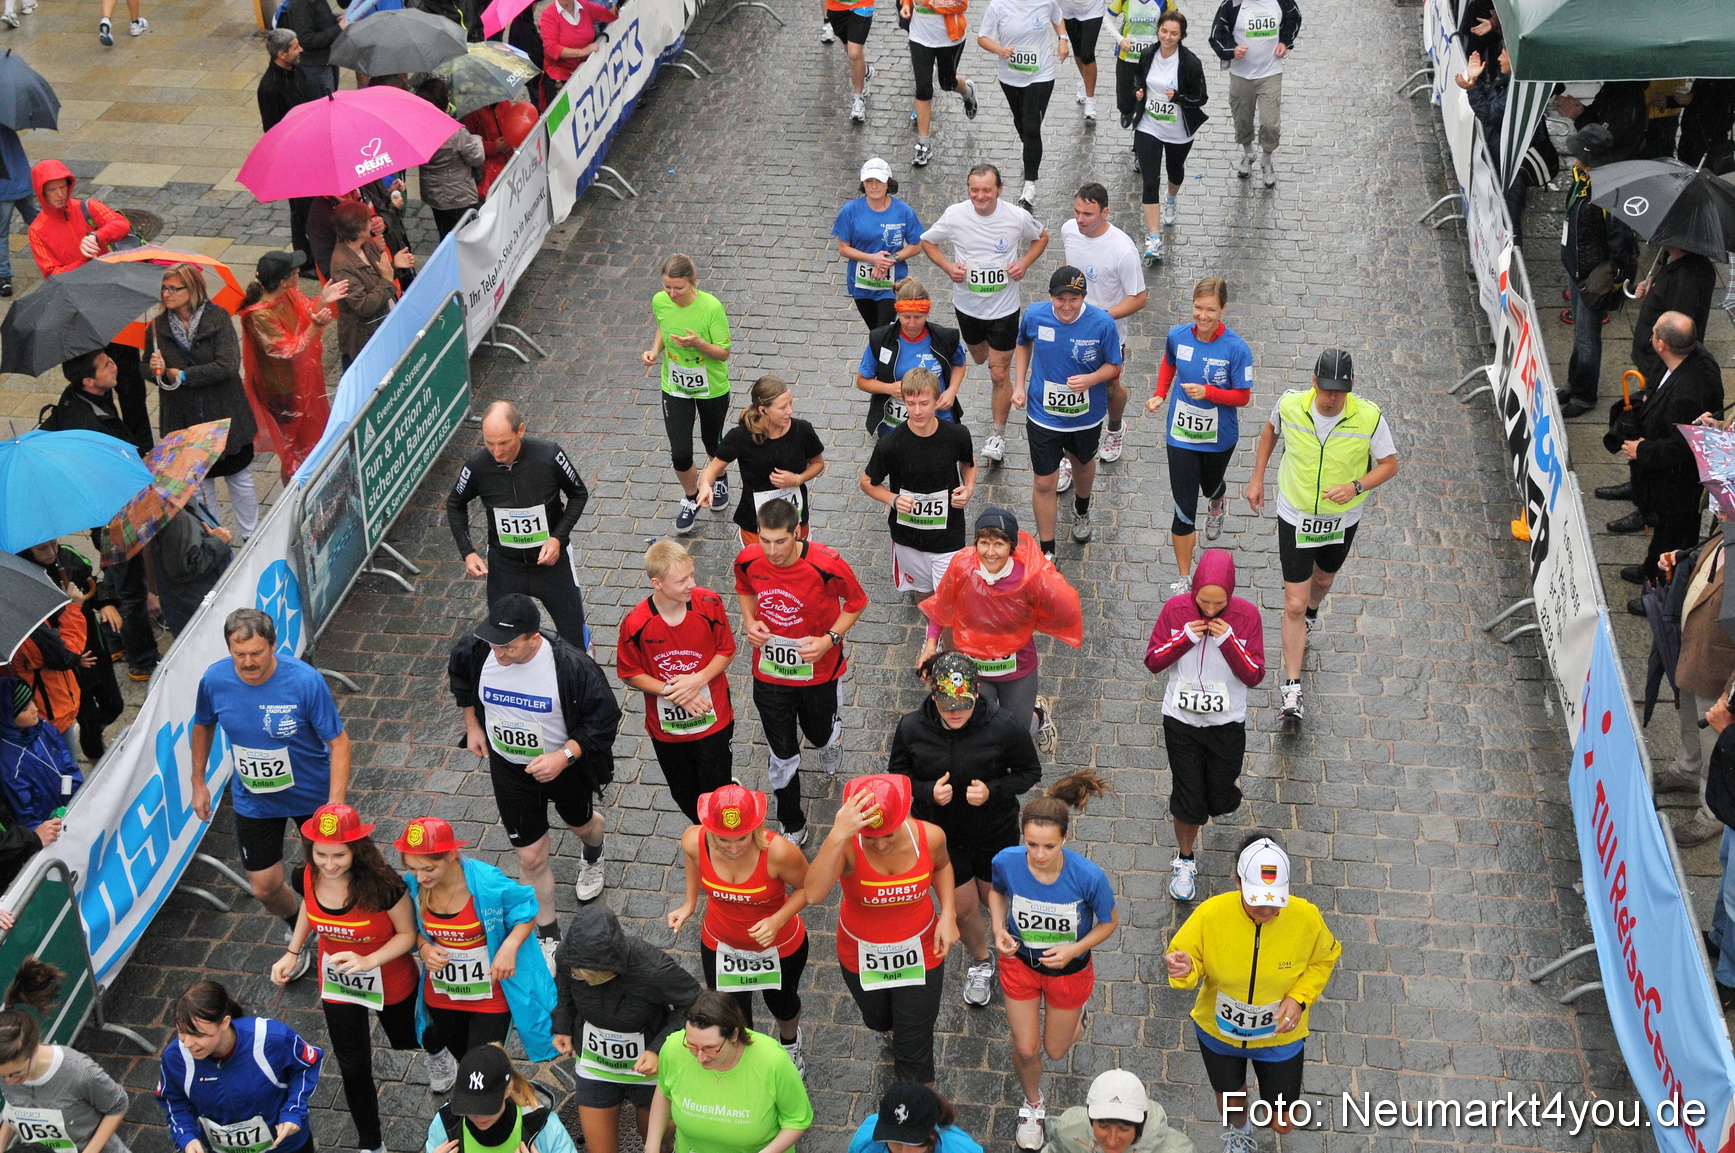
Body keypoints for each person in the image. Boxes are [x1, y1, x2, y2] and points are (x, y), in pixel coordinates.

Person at [448, 593, 622, 928]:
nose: (498, 653)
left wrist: (564, 755)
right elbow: (464, 683)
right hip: (509, 768)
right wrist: (473, 727)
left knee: (583, 826)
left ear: (534, 638)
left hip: (564, 770)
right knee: (530, 856)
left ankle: (593, 852)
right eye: (494, 643)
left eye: (509, 647)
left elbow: (603, 720)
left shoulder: (571, 666)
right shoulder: (478, 649)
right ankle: (547, 934)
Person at [1244, 348, 1398, 722]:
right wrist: (1257, 476)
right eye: (1326, 389)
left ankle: (1312, 613)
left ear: (1350, 387)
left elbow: (1390, 465)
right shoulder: (1290, 405)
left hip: (1341, 519)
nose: (1331, 398)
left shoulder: (1369, 417)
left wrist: (1357, 486)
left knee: (1324, 579)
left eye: (1339, 391)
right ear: (1313, 382)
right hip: (1295, 512)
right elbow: (1270, 430)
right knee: (1293, 603)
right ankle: (1292, 689)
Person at [192, 608, 350, 963]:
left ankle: (341, 932)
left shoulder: (305, 681)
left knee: (331, 876)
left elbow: (339, 742)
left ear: (273, 646)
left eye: (257, 653)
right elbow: (203, 724)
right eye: (239, 654)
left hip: (312, 796)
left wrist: (335, 804)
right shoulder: (214, 680)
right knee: (263, 886)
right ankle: (298, 925)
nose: (248, 662)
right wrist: (198, 780)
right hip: (255, 799)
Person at [270, 804, 431, 1153]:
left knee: (408, 1038)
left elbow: (407, 934)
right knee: (353, 1066)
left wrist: (368, 959)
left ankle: (439, 1053)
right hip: (339, 983)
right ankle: (371, 1144)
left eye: (339, 855)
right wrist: (293, 952)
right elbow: (310, 914)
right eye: (321, 854)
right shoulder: (305, 876)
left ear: (356, 850)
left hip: (390, 977)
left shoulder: (385, 884)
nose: (328, 864)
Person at [1164, 838, 1341, 1153]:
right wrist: (1185, 968)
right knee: (1232, 1101)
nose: (1267, 909)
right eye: (1257, 899)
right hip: (1218, 1033)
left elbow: (1324, 959)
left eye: (1276, 901)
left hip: (1279, 1039)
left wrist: (1300, 998)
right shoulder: (1210, 915)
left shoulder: (1307, 918)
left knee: (1282, 1122)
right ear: (1237, 882)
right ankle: (1241, 1133)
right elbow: (1187, 961)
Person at [890, 652, 1040, 1007]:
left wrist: (993, 790)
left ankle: (1014, 945)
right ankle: (981, 961)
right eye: (946, 705)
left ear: (976, 693)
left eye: (962, 704)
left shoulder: (1003, 726)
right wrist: (926, 792)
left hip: (994, 833)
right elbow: (896, 777)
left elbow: (1029, 772)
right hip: (942, 838)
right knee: (962, 906)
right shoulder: (912, 727)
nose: (954, 712)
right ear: (932, 695)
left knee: (996, 899)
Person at [805, 774, 960, 1087]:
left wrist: (949, 914)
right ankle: (892, 1031)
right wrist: (837, 835)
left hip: (921, 952)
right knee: (877, 1019)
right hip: (861, 953)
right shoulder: (847, 846)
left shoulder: (929, 837)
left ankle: (916, 1113)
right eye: (869, 836)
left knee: (914, 1040)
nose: (879, 843)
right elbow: (813, 893)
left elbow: (942, 867)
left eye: (887, 834)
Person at [989, 773, 1116, 1148]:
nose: (1040, 855)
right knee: (1027, 1049)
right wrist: (998, 928)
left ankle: (1079, 1017)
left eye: (1048, 845)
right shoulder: (1007, 861)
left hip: (1069, 972)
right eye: (1031, 845)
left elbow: (1108, 923)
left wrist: (1074, 949)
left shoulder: (1089, 877)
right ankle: (1033, 1104)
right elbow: (997, 893)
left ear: (1064, 838)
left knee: (1056, 1051)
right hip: (1021, 965)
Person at [732, 496, 868, 840]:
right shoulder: (749, 559)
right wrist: (749, 621)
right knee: (782, 751)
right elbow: (744, 588)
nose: (772, 550)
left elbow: (856, 602)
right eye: (765, 540)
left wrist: (829, 639)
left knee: (819, 733)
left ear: (798, 533)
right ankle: (792, 821)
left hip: (818, 671)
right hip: (770, 672)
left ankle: (830, 737)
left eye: (780, 541)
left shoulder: (827, 564)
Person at [1143, 549, 1265, 900]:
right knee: (1188, 798)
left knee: (1220, 797)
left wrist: (1228, 641)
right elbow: (1153, 660)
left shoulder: (1247, 616)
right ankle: (1185, 858)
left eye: (1218, 603)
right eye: (1203, 602)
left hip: (1226, 723)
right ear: (1193, 591)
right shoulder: (1175, 610)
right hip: (1180, 721)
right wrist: (1186, 637)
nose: (1210, 610)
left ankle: (1219, 798)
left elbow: (1254, 674)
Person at [397, 815, 559, 1071]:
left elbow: (527, 909)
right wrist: (425, 947)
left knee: (483, 1069)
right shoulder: (413, 885)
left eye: (428, 869)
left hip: (491, 994)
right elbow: (413, 929)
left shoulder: (487, 882)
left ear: (451, 856)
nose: (419, 878)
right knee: (465, 1062)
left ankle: (502, 1103)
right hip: (442, 994)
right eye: (413, 868)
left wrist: (509, 947)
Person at [667, 785, 810, 1067]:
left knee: (782, 1004)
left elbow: (809, 888)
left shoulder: (779, 852)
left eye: (742, 838)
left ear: (756, 828)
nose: (733, 848)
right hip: (721, 945)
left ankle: (790, 1042)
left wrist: (777, 919)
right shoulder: (695, 841)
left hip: (779, 946)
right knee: (731, 1011)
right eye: (723, 839)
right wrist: (689, 903)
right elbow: (692, 859)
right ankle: (746, 1060)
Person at [920, 165, 1049, 465]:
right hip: (967, 306)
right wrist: (948, 267)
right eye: (974, 190)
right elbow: (928, 241)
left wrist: (1025, 262)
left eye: (987, 190)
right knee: (979, 358)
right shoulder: (955, 215)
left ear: (1000, 190)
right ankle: (985, 358)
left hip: (1004, 309)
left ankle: (997, 434)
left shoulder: (1016, 217)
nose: (980, 196)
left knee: (999, 372)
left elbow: (1041, 237)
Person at [919, 507, 1081, 742]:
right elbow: (943, 605)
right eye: (984, 543)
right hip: (972, 666)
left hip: (1017, 670)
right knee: (974, 730)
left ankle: (1038, 716)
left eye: (999, 544)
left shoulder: (1030, 577)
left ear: (1011, 547)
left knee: (1017, 734)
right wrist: (931, 644)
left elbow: (1064, 610)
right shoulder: (962, 566)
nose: (990, 552)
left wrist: (1036, 611)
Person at [550, 904, 701, 1153]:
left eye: (596, 977)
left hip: (648, 1068)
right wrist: (563, 1026)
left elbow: (694, 1002)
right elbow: (564, 987)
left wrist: (658, 1049)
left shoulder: (652, 966)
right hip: (596, 1064)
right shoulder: (567, 957)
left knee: (659, 1141)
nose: (586, 981)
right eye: (580, 976)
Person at [26, 160, 151, 449]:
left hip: (111, 307)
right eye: (52, 190)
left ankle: (144, 446)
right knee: (99, 389)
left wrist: (96, 236)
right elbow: (53, 275)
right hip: (79, 316)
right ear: (40, 193)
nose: (60, 194)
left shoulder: (88, 207)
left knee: (131, 382)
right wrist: (85, 258)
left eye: (63, 187)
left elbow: (120, 223)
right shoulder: (38, 230)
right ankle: (117, 446)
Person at [446, 400, 592, 641]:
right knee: (504, 640)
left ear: (520, 431)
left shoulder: (549, 455)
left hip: (551, 566)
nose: (497, 452)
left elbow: (579, 494)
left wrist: (557, 537)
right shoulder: (477, 466)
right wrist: (468, 552)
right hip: (506, 568)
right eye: (489, 443)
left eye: (504, 443)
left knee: (573, 638)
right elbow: (455, 504)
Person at [616, 540, 738, 824]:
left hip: (713, 719)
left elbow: (726, 650)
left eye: (692, 575)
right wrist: (673, 691)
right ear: (657, 583)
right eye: (682, 580)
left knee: (716, 794)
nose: (691, 584)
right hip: (667, 731)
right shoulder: (636, 623)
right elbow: (629, 672)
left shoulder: (709, 603)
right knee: (685, 796)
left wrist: (696, 681)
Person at [1143, 277, 1253, 589]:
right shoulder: (1178, 336)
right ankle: (1183, 577)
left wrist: (1208, 392)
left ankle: (1217, 501)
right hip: (1180, 434)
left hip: (1219, 437)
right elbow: (1169, 364)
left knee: (1211, 486)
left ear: (1223, 310)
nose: (1203, 316)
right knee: (1184, 507)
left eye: (1211, 310)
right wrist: (1160, 394)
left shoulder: (1236, 349)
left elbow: (1242, 397)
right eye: (1198, 308)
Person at [1603, 314, 1724, 592]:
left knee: (1674, 534)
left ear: (1661, 344)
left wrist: (1640, 450)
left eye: (1654, 333)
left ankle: (1660, 590)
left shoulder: (1688, 393)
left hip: (1678, 480)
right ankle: (1650, 569)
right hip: (1668, 475)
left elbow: (1680, 447)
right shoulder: (1689, 355)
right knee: (1666, 532)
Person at [1012, 265, 1123, 551]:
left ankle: (1082, 508)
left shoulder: (1102, 323)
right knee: (1044, 482)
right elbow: (1023, 343)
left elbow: (1114, 365)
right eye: (1060, 299)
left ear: (1084, 297)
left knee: (1083, 465)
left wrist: (1091, 378)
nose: (1066, 306)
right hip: (1043, 416)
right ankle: (1047, 550)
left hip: (1085, 418)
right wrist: (1019, 385)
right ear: (1050, 296)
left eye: (1074, 299)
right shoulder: (1036, 315)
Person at [149, 262, 260, 539]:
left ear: (193, 289)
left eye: (174, 288)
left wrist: (183, 375)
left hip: (225, 412)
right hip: (185, 419)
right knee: (200, 485)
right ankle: (216, 539)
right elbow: (149, 372)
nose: (167, 294)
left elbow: (227, 365)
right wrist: (154, 369)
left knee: (240, 477)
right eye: (164, 288)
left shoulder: (218, 318)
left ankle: (252, 536)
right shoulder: (157, 328)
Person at [155, 982, 323, 1153]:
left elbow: (306, 1065)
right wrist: (187, 1138)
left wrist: (293, 1111)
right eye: (181, 1032)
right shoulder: (175, 1057)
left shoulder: (271, 1038)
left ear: (224, 1023)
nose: (188, 1043)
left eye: (199, 1035)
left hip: (285, 1147)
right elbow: (174, 1102)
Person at [645, 991, 812, 1153]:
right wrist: (651, 1146)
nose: (700, 1058)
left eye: (711, 1048)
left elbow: (797, 1120)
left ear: (734, 1034)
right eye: (692, 1046)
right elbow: (665, 1090)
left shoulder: (773, 1061)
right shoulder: (674, 1048)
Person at [861, 369, 977, 594]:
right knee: (923, 593)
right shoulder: (890, 444)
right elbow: (867, 482)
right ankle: (930, 631)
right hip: (908, 536)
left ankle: (939, 630)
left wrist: (969, 487)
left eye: (924, 403)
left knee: (948, 597)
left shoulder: (957, 435)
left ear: (937, 400)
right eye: (910, 403)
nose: (917, 411)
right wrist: (893, 500)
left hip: (948, 533)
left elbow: (968, 461)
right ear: (902, 401)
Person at [640, 255, 733, 535]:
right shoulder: (660, 301)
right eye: (667, 287)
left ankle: (719, 477)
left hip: (711, 388)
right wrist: (655, 351)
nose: (672, 294)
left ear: (694, 282)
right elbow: (662, 325)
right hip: (675, 385)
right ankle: (691, 497)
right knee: (680, 452)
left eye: (678, 288)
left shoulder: (711, 307)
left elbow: (724, 352)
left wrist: (698, 343)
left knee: (712, 442)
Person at [1654, 526, 1733, 848]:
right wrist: (1683, 560)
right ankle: (1686, 770)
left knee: (1715, 741)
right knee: (1688, 717)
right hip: (1694, 650)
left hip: (1721, 668)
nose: (1719, 508)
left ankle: (1711, 814)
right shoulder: (1724, 523)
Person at [238, 250, 345, 480]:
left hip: (301, 382)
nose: (299, 273)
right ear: (283, 280)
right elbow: (289, 351)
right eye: (295, 271)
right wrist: (315, 327)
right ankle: (296, 494)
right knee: (292, 450)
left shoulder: (288, 294)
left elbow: (306, 314)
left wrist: (323, 300)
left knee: (310, 439)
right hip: (282, 391)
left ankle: (315, 480)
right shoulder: (259, 317)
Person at [1555, 124, 1637, 418]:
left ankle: (1584, 395)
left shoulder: (1607, 192)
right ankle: (1572, 383)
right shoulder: (1583, 179)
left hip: (1592, 276)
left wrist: (1612, 280)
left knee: (1588, 336)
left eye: (1578, 154)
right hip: (1576, 267)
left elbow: (1621, 242)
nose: (1573, 158)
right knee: (1580, 332)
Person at [1060, 184, 1145, 463]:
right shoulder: (1069, 230)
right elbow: (1068, 266)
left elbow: (1139, 298)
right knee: (1068, 384)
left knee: (1109, 388)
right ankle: (1066, 452)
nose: (1080, 219)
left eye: (1088, 213)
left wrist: (1102, 318)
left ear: (1105, 212)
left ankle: (1115, 427)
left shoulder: (1123, 250)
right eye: (1076, 211)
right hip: (1071, 327)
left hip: (1108, 333)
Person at [0, 979, 129, 1153]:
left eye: (17, 1074)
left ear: (34, 1048)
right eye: (2, 1076)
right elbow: (14, 1107)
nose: (9, 1083)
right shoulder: (7, 1070)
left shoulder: (80, 1073)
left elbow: (118, 1105)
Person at [697, 376, 827, 545]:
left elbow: (817, 463)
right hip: (754, 524)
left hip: (795, 521)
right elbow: (713, 469)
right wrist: (706, 486)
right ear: (763, 410)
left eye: (791, 403)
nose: (790, 411)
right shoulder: (740, 436)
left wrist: (798, 479)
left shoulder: (802, 430)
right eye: (782, 407)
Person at [1128, 10, 1207, 262]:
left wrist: (1179, 98)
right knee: (1150, 180)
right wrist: (1139, 90)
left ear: (1182, 35)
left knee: (1175, 172)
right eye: (1164, 31)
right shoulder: (1148, 53)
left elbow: (1201, 97)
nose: (1168, 37)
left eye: (1174, 33)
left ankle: (1171, 200)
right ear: (1158, 30)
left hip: (1178, 131)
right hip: (1148, 126)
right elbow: (1139, 76)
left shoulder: (1190, 63)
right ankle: (1154, 237)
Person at [977, 0, 1068, 208]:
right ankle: (1028, 147)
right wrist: (1000, 50)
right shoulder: (998, 6)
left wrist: (1062, 39)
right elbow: (982, 38)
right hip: (1010, 76)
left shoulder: (1046, 1)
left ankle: (1030, 184)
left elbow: (1058, 17)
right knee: (1021, 122)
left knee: (1032, 127)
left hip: (1041, 74)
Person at [853, 279, 967, 439]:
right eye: (906, 317)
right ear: (897, 312)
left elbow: (959, 363)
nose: (912, 324)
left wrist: (951, 391)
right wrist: (889, 388)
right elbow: (862, 381)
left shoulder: (946, 337)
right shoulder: (880, 339)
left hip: (939, 423)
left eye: (918, 317)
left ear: (927, 313)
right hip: (894, 429)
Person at [1207, 0, 1299, 188]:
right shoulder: (1232, 4)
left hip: (1270, 73)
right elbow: (1217, 35)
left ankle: (1266, 160)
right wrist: (1232, 50)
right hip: (1241, 75)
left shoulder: (1281, 1)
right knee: (1242, 119)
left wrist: (1285, 41)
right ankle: (1248, 153)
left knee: (1270, 123)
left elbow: (1294, 18)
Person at [423, 1045, 580, 1153]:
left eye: (487, 1106)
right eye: (469, 1106)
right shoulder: (445, 1124)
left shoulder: (544, 1128)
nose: (478, 1116)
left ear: (508, 1089)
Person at [258, 32, 323, 274]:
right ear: (281, 54)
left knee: (314, 205)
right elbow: (272, 129)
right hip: (293, 157)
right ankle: (305, 259)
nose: (301, 50)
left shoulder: (297, 70)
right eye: (295, 47)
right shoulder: (269, 87)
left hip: (310, 148)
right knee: (301, 210)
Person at [835, 159, 926, 325]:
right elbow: (843, 248)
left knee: (883, 330)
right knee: (875, 331)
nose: (874, 186)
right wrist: (872, 259)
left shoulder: (904, 211)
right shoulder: (849, 211)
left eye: (879, 181)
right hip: (861, 285)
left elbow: (915, 246)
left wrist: (888, 261)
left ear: (888, 183)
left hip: (891, 286)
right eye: (869, 181)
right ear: (863, 183)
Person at [329, 199, 408, 370]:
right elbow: (363, 306)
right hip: (365, 338)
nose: (371, 222)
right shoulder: (342, 265)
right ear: (358, 231)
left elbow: (379, 274)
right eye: (367, 220)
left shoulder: (365, 245)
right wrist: (388, 280)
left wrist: (395, 265)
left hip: (382, 323)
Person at [899, 0, 978, 167]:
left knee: (947, 83)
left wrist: (927, 2)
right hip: (919, 37)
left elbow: (961, 4)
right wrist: (906, 5)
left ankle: (967, 91)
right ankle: (923, 144)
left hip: (949, 40)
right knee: (923, 90)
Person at [1040, 1069, 1195, 1153]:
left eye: (1124, 1129)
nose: (1112, 1141)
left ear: (1139, 1127)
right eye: (1103, 1126)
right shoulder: (1068, 1131)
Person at [1628, 246, 1717, 387]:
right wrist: (1653, 286)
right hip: (1657, 355)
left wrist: (1653, 339)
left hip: (1658, 361)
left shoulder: (1688, 278)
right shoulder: (1677, 261)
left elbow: (1677, 327)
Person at [0, 679, 80, 828]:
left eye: (31, 701)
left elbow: (67, 763)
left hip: (74, 807)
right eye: (24, 709)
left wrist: (80, 793)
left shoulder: (43, 727)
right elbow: (24, 813)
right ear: (6, 717)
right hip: (50, 829)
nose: (35, 709)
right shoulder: (9, 764)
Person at [148, 501, 233, 636]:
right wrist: (218, 542)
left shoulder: (182, 506)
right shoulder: (177, 519)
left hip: (202, 602)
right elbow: (184, 568)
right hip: (199, 608)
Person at [415, 77, 485, 238]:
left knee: (445, 233)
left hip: (433, 194)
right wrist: (476, 139)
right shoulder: (455, 132)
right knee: (465, 238)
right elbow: (477, 157)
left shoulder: (417, 128)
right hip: (458, 196)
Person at [850, 1083, 982, 1153]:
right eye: (895, 1142)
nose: (904, 1152)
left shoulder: (963, 1150)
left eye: (913, 1142)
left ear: (932, 1128)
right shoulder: (864, 1141)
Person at [1106, 0, 1171, 130]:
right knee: (1124, 93)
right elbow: (1107, 19)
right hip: (1127, 56)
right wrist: (1121, 40)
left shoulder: (1165, 1)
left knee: (1150, 90)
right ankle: (1127, 111)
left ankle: (1146, 124)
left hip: (1152, 57)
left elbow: (1175, 22)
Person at [539, 0, 617, 89]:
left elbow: (611, 15)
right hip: (562, 79)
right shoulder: (548, 15)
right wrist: (583, 51)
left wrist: (609, 2)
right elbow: (551, 49)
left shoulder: (584, 5)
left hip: (587, 69)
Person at [0, 119, 36, 297]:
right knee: (38, 221)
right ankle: (67, 251)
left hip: (3, 190)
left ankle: (4, 277)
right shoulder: (8, 122)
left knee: (1, 234)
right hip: (21, 182)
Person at [826, 0, 876, 124]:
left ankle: (858, 99)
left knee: (854, 53)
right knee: (850, 51)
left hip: (861, 6)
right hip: (836, 8)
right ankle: (865, 71)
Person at [277, 0, 343, 94]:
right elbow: (306, 40)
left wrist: (336, 19)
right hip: (315, 66)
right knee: (324, 102)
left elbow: (320, 18)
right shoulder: (300, 4)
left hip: (328, 59)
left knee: (333, 98)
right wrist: (338, 29)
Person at [1059, 0, 1101, 122]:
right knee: (1078, 51)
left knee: (1087, 54)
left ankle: (1090, 99)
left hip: (1093, 7)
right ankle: (1085, 80)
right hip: (1068, 8)